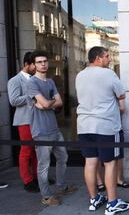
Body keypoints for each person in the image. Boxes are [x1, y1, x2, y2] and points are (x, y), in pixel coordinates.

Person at [76, 46, 129, 214]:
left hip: (84, 126)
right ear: (98, 59)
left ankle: (94, 199)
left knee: (90, 163)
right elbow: (121, 95)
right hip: (106, 126)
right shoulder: (108, 74)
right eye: (107, 56)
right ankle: (112, 202)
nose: (109, 59)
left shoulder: (79, 75)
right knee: (110, 163)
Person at [26, 50, 77, 206]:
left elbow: (59, 102)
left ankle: (61, 187)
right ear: (34, 65)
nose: (43, 64)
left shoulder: (50, 82)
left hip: (54, 129)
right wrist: (47, 103)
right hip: (40, 131)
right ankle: (46, 196)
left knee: (63, 157)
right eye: (39, 62)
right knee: (44, 165)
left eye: (45, 61)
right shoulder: (31, 82)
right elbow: (50, 103)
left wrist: (45, 104)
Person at [7, 52, 39, 193]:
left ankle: (38, 177)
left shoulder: (36, 79)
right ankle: (27, 180)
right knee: (26, 151)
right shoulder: (15, 80)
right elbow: (13, 100)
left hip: (38, 119)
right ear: (27, 64)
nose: (37, 67)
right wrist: (32, 97)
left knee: (38, 150)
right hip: (24, 120)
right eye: (35, 64)